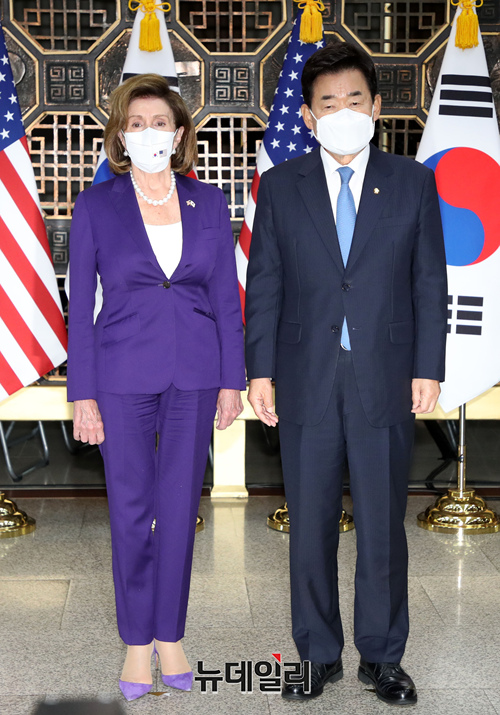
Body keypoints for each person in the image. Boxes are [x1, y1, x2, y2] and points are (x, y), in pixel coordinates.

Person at [245, 43, 447, 706]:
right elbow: (265, 283)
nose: (342, 112)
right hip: (304, 374)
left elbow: (428, 282)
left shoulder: (412, 181)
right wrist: (259, 370)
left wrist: (428, 366)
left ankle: (383, 658)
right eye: (327, 103)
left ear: (377, 106)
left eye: (354, 99)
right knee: (309, 523)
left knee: (383, 524)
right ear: (307, 116)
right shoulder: (281, 185)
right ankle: (317, 656)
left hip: (385, 374)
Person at [67, 73, 246, 702]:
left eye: (160, 123)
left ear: (180, 133)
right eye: (136, 123)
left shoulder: (210, 202)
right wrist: (82, 393)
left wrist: (232, 380)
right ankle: (136, 643)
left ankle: (170, 635)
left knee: (177, 511)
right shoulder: (96, 206)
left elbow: (226, 299)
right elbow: (79, 306)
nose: (149, 133)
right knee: (130, 512)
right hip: (120, 378)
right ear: (120, 135)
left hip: (195, 375)